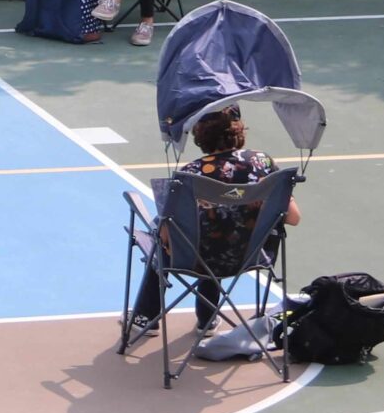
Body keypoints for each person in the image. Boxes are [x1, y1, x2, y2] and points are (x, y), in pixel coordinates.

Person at [126, 106, 302, 341]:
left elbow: (168, 239)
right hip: (251, 255)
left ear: (200, 137)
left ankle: (145, 316)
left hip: (196, 259)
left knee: (168, 234)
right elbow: (293, 218)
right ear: (238, 131)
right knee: (228, 232)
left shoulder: (190, 174)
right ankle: (207, 318)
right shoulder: (262, 162)